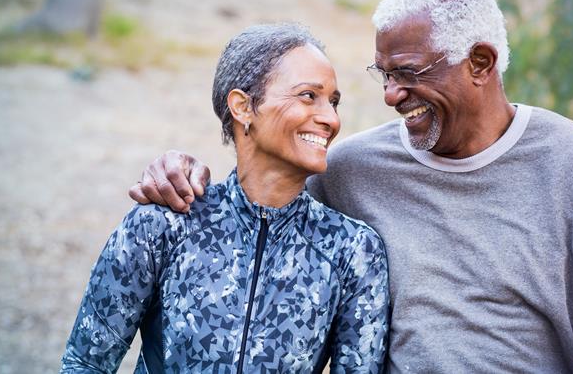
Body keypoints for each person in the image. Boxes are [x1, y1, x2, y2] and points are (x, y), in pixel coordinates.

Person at [130, 0, 573, 373]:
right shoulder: (354, 169)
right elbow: (261, 212)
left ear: (480, 63)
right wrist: (181, 173)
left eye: (408, 73)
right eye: (384, 75)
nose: (391, 95)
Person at [61, 23, 389, 373]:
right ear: (243, 107)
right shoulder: (164, 224)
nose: (330, 118)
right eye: (309, 95)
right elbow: (85, 363)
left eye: (333, 102)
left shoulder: (353, 252)